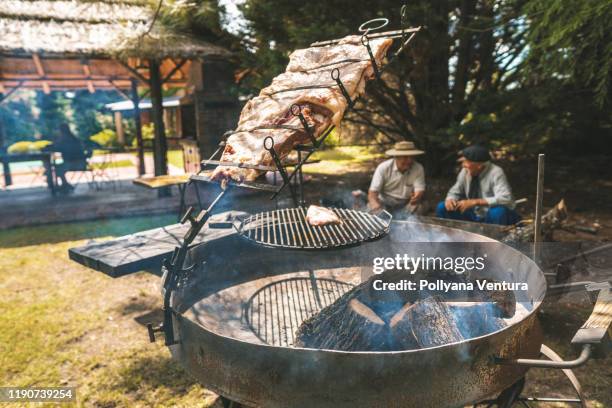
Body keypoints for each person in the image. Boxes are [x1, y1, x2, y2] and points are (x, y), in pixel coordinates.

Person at [436, 145, 520, 225]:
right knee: (442, 207)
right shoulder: (465, 170)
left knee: (498, 211)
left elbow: (505, 198)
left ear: (479, 166)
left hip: (492, 215)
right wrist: (450, 199)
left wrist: (476, 202)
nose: (463, 164)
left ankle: (493, 237)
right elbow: (454, 192)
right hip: (474, 213)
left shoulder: (496, 172)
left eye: (466, 162)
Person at [364, 140, 426, 216]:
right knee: (371, 209)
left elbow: (419, 190)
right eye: (405, 157)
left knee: (418, 208)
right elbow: (373, 193)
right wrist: (375, 205)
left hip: (406, 203)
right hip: (384, 202)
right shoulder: (383, 168)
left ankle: (408, 227)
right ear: (396, 157)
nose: (409, 160)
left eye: (411, 157)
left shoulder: (418, 168)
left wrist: (416, 197)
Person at [48, 123, 88, 193]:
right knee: (56, 168)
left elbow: (57, 147)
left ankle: (63, 185)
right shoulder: (73, 139)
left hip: (74, 164)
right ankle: (65, 185)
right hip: (81, 163)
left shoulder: (65, 140)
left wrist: (51, 145)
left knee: (56, 169)